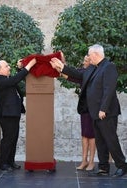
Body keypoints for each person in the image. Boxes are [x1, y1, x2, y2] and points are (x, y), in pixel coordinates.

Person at [50, 44, 127, 177]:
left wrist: (103, 108)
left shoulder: (108, 67)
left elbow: (109, 89)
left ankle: (122, 166)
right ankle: (103, 168)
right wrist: (62, 67)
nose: (88, 57)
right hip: (94, 112)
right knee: (100, 141)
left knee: (110, 139)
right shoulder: (92, 68)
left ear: (96, 54)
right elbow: (79, 74)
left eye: (89, 55)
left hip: (106, 112)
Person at [0, 58, 37, 171]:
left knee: (14, 138)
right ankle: (3, 163)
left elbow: (16, 81)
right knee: (8, 138)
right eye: (6, 66)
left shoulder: (7, 79)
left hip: (13, 113)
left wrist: (19, 69)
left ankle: (10, 161)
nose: (9, 67)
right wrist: (28, 67)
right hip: (6, 114)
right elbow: (14, 80)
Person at [62, 55, 96, 171]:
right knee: (84, 135)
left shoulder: (94, 73)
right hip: (84, 108)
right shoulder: (82, 72)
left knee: (92, 136)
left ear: (92, 62)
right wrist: (61, 64)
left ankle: (91, 162)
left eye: (86, 61)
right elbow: (68, 75)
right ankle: (84, 161)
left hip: (93, 108)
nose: (83, 62)